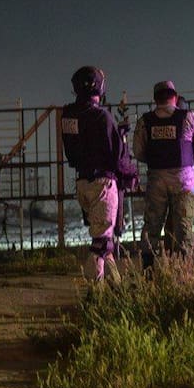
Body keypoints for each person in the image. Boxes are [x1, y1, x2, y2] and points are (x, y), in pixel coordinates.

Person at [132, 80, 194, 268]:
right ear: (175, 97)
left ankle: (148, 271)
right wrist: (191, 161)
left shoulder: (145, 121)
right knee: (184, 230)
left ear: (155, 99)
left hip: (157, 179)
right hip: (184, 179)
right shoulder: (188, 117)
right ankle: (183, 275)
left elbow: (138, 151)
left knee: (152, 227)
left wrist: (156, 160)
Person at [60, 66, 123, 284]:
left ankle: (116, 286)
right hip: (102, 183)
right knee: (101, 242)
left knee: (103, 236)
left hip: (82, 182)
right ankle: (95, 294)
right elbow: (116, 155)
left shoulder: (67, 116)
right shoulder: (101, 116)